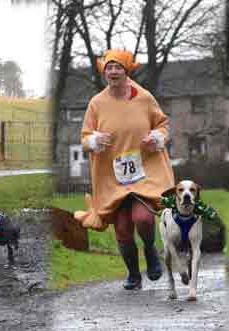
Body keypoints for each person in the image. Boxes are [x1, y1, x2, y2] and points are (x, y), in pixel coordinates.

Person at [77, 49, 175, 290]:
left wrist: (156, 138)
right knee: (122, 229)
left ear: (126, 70)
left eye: (117, 67)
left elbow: (163, 125)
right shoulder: (96, 103)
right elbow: (85, 137)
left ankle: (151, 251)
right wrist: (95, 140)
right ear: (104, 71)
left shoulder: (144, 97)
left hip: (144, 172)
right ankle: (133, 274)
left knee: (142, 218)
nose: (112, 71)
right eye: (108, 67)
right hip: (112, 176)